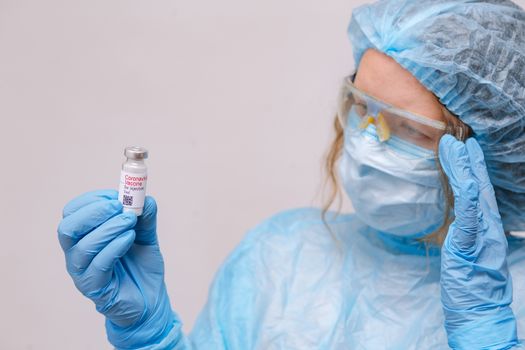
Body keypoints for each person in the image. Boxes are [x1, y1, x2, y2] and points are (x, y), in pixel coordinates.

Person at [57, 0, 525, 348]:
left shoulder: (508, 305)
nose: (368, 140)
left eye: (408, 129)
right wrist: (152, 336)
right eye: (362, 109)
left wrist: (487, 335)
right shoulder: (279, 257)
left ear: (492, 148)